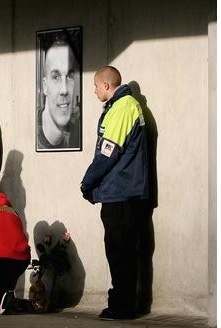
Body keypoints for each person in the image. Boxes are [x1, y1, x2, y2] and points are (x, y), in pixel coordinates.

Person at [80, 66, 150, 320]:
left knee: (120, 252)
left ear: (106, 86)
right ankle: (124, 302)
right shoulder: (122, 106)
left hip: (121, 193)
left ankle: (123, 306)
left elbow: (108, 153)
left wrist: (87, 182)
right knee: (122, 251)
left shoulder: (122, 108)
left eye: (96, 86)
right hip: (121, 191)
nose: (95, 91)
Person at [37, 37, 81, 150]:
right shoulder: (30, 129)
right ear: (45, 86)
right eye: (56, 77)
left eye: (70, 76)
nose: (64, 90)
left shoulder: (77, 130)